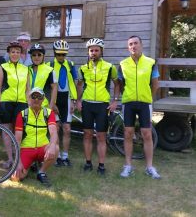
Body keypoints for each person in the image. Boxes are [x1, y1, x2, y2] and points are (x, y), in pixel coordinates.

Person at [118, 35, 161, 179]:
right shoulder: (123, 64)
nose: (133, 46)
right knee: (128, 133)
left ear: (141, 45)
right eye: (130, 44)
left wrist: (149, 98)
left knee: (147, 134)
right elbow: (120, 84)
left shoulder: (150, 63)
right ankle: (128, 166)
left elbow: (155, 84)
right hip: (129, 103)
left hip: (144, 103)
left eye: (136, 43)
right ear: (128, 47)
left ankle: (149, 167)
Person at [76, 38, 120, 175]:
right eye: (91, 50)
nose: (93, 53)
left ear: (101, 51)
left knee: (101, 136)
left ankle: (101, 165)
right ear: (88, 52)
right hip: (87, 104)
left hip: (102, 106)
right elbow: (79, 85)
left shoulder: (110, 67)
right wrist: (78, 101)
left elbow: (117, 84)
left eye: (96, 50)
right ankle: (88, 162)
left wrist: (115, 101)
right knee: (87, 135)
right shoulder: (82, 68)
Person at [11, 87, 59, 187]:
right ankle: (30, 164)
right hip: (27, 148)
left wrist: (52, 145)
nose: (36, 99)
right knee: (15, 178)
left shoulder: (48, 113)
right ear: (29, 98)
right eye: (33, 96)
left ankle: (41, 172)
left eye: (39, 97)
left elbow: (54, 132)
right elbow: (17, 140)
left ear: (43, 99)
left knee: (56, 147)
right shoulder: (22, 114)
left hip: (42, 147)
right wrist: (18, 162)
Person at [0, 41, 30, 168]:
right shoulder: (3, 67)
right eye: (13, 52)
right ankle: (10, 159)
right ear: (9, 53)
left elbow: (28, 89)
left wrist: (29, 105)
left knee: (19, 131)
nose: (15, 54)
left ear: (21, 54)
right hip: (6, 102)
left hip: (21, 102)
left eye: (17, 52)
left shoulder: (25, 69)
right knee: (6, 130)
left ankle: (18, 158)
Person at [49, 40, 78, 167]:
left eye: (63, 54)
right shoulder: (49, 65)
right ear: (55, 53)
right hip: (55, 98)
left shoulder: (70, 64)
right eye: (59, 54)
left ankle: (65, 156)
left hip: (67, 97)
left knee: (67, 128)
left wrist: (73, 100)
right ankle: (57, 156)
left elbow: (75, 83)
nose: (61, 57)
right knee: (56, 128)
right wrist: (51, 103)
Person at [28, 44, 58, 111]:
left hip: (43, 106)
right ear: (31, 57)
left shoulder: (50, 70)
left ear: (43, 56)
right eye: (34, 55)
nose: (36, 57)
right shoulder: (27, 69)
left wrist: (51, 106)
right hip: (28, 105)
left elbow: (54, 89)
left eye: (39, 55)